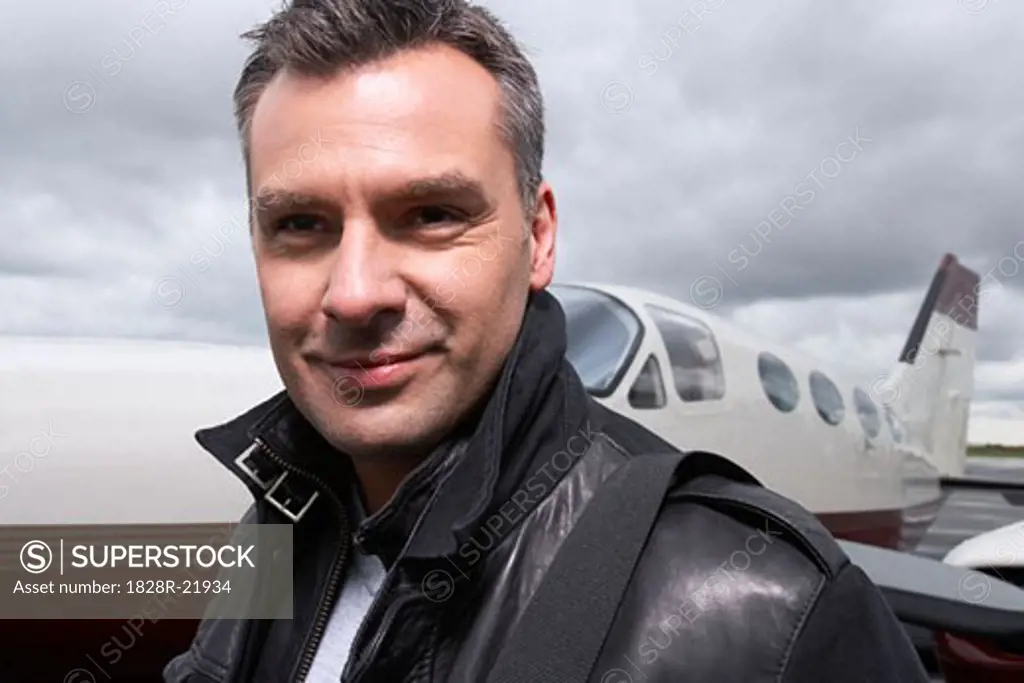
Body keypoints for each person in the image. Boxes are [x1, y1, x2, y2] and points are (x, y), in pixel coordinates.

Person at [164, 1, 931, 681]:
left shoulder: (776, 609)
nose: (356, 292)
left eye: (432, 213)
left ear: (538, 238)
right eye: (300, 224)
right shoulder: (278, 523)